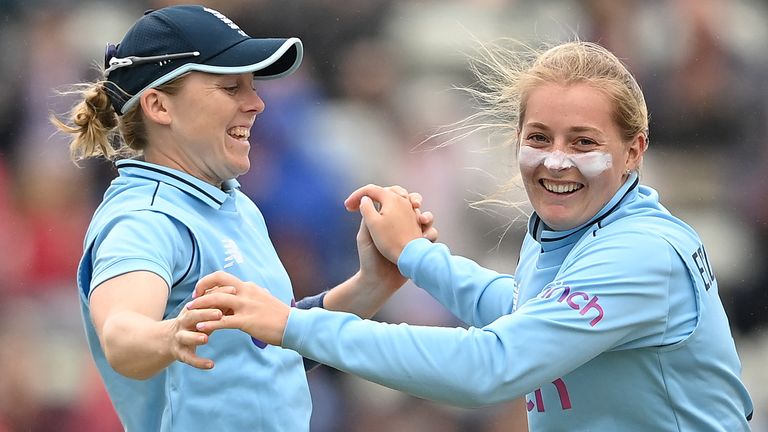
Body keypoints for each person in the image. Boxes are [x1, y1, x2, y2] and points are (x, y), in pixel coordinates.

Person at [187, 40, 754, 431]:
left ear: (634, 151)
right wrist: (417, 256)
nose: (556, 161)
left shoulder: (641, 254)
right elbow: (523, 311)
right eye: (540, 136)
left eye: (583, 142)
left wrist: (293, 324)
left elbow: (492, 365)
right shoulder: (573, 230)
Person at [51, 5, 435, 431]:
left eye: (251, 86)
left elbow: (273, 342)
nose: (256, 103)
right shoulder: (146, 217)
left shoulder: (231, 202)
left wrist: (372, 285)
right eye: (231, 86)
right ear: (159, 106)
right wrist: (170, 335)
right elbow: (122, 335)